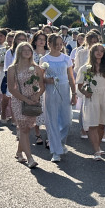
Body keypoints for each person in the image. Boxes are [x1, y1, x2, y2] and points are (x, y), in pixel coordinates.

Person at [78, 43, 105, 162]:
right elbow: (80, 85)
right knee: (93, 124)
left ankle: (98, 146)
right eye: (96, 50)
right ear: (92, 53)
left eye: (101, 51)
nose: (99, 53)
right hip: (92, 97)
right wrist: (85, 93)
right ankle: (96, 150)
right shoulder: (85, 68)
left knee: (102, 124)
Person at [7, 42, 45, 169]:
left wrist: (36, 96)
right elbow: (11, 89)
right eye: (24, 50)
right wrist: (25, 100)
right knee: (23, 128)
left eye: (29, 50)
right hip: (19, 101)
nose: (27, 52)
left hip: (33, 101)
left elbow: (42, 86)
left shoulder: (36, 67)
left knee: (27, 129)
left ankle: (19, 152)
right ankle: (30, 158)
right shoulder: (13, 69)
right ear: (19, 52)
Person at [40, 34, 76, 163]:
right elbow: (40, 77)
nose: (59, 46)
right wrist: (46, 80)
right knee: (52, 120)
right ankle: (55, 151)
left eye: (61, 43)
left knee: (66, 121)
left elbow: (71, 77)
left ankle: (59, 142)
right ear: (49, 44)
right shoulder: (45, 59)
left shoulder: (66, 58)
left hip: (65, 90)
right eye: (57, 43)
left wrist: (74, 93)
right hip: (51, 91)